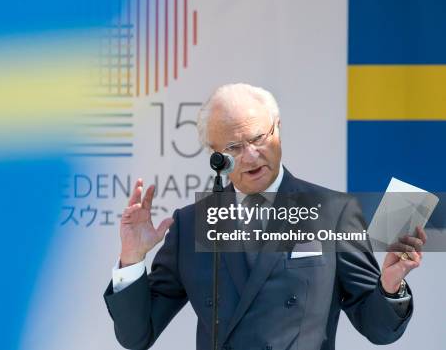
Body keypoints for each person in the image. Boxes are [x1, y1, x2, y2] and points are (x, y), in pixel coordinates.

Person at [103, 83, 425, 350]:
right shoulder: (192, 225)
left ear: (278, 129)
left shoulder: (333, 213)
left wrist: (389, 287)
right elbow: (136, 335)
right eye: (234, 147)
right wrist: (131, 259)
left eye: (258, 138)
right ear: (216, 157)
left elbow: (378, 329)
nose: (252, 156)